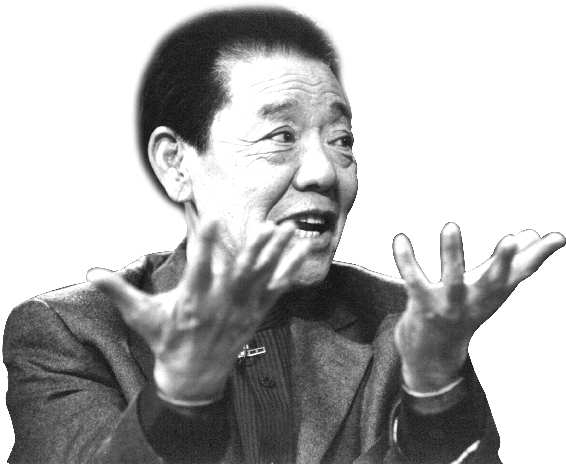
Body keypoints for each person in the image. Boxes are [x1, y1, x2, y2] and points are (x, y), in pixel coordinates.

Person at [3, 6, 564, 464]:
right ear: (176, 163)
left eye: (341, 140)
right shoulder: (72, 335)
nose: (323, 172)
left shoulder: (406, 327)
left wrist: (434, 388)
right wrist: (178, 403)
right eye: (280, 135)